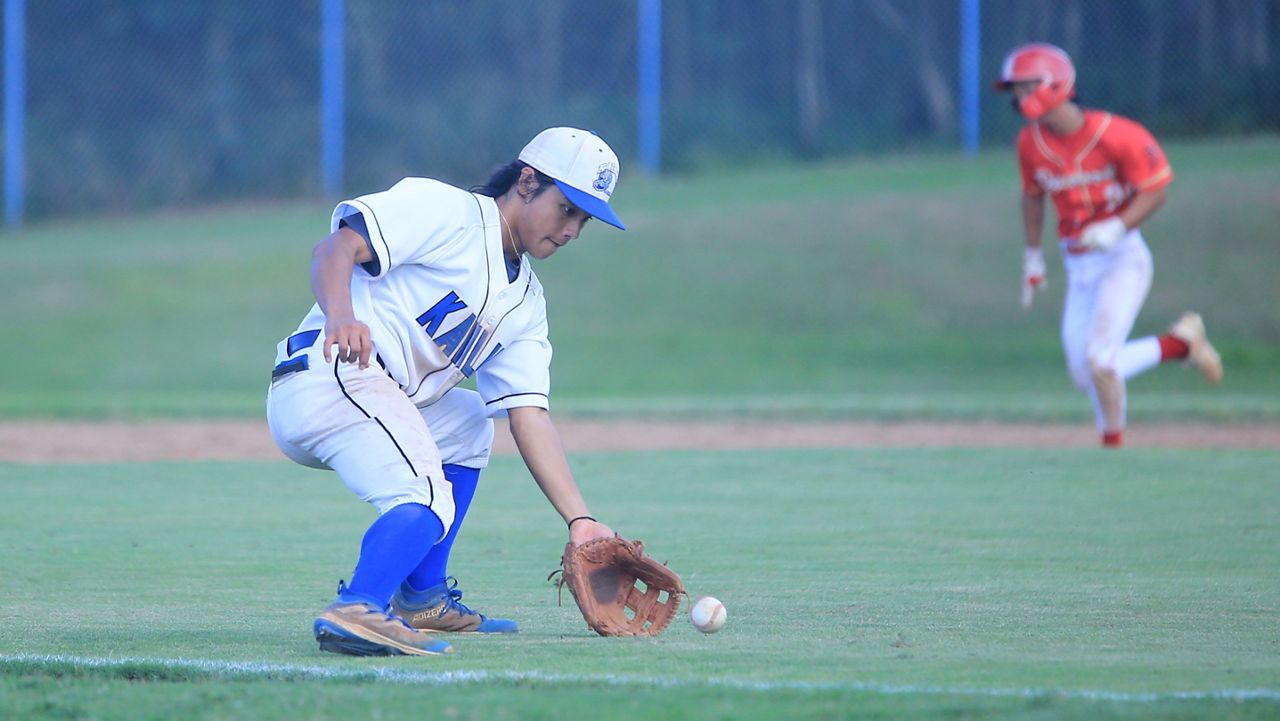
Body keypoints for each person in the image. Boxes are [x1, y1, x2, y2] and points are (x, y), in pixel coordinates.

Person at [266, 127, 625, 656]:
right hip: (333, 372)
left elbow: (529, 415)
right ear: (527, 181)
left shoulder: (526, 304)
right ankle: (359, 606)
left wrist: (581, 520)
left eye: (584, 219)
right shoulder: (448, 212)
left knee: (468, 422)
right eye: (567, 208)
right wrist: (342, 315)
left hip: (379, 393)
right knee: (427, 495)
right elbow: (336, 247)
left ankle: (422, 597)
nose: (573, 230)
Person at [994, 43, 1222, 448]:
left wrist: (1117, 227)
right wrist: (1032, 255)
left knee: (1102, 360)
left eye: (1027, 87)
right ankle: (1180, 344)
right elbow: (1032, 195)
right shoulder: (1030, 144)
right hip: (1078, 265)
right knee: (1085, 375)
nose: (1020, 97)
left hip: (1122, 259)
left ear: (1057, 84)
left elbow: (1155, 191)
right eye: (1016, 90)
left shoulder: (1116, 134)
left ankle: (1112, 446)